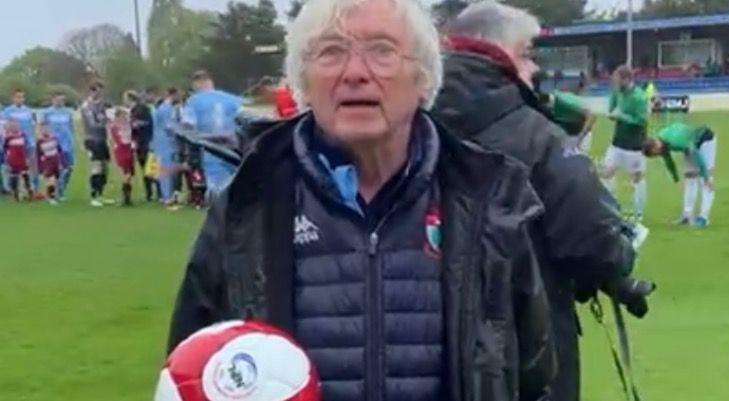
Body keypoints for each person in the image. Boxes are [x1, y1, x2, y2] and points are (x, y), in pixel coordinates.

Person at [167, 2, 555, 401]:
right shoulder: (249, 202)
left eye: (382, 50)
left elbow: (535, 379)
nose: (354, 72)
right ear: (303, 81)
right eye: (331, 51)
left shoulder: (486, 198)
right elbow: (192, 373)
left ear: (423, 78)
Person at [433, 3, 644, 401]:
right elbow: (593, 237)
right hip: (529, 337)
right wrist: (618, 264)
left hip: (430, 342)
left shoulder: (411, 126)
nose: (534, 69)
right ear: (499, 53)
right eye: (527, 54)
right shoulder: (536, 135)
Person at [181, 70, 245, 201]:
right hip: (235, 148)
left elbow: (188, 127)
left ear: (196, 84)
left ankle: (220, 209)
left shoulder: (194, 101)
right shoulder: (234, 99)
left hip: (212, 150)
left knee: (216, 187)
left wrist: (189, 153)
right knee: (238, 185)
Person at [643, 122, 717, 226]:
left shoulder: (675, 141)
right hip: (689, 144)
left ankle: (703, 218)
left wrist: (705, 175)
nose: (658, 155)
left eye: (655, 154)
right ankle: (687, 216)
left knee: (705, 181)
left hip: (705, 140)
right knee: (690, 178)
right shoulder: (661, 144)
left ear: (655, 147)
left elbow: (696, 153)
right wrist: (676, 179)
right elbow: (669, 162)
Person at [602, 65, 649, 222]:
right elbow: (612, 109)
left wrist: (621, 117)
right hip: (617, 142)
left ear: (627, 79)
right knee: (606, 172)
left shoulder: (639, 97)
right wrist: (612, 110)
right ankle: (613, 208)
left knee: (637, 178)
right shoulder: (617, 91)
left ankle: (638, 213)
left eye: (617, 80)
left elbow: (642, 121)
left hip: (634, 144)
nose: (615, 84)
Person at [81, 82, 114, 207]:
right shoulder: (87, 106)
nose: (99, 94)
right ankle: (94, 196)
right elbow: (92, 124)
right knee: (97, 166)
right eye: (97, 92)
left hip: (102, 139)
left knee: (105, 167)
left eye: (101, 92)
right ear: (92, 91)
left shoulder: (104, 105)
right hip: (92, 139)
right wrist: (106, 121)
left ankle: (100, 194)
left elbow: (111, 117)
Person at [3, 89, 40, 194]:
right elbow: (4, 127)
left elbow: (34, 125)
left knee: (32, 165)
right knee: (13, 166)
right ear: (13, 98)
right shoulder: (7, 111)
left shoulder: (28, 111)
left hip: (29, 142)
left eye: (22, 97)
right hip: (15, 144)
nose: (20, 99)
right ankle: (12, 188)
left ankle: (33, 187)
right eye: (18, 97)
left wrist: (36, 137)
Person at [41, 93, 76, 199]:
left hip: (67, 144)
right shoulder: (47, 113)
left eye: (62, 100)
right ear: (53, 100)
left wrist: (73, 140)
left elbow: (71, 127)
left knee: (68, 168)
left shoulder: (67, 112)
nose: (60, 102)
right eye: (58, 100)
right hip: (53, 145)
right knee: (53, 169)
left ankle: (61, 189)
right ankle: (52, 191)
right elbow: (42, 127)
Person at [128, 90, 160, 202]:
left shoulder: (141, 109)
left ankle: (155, 192)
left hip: (144, 142)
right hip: (141, 142)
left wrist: (133, 125)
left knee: (149, 168)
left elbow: (146, 123)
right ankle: (151, 193)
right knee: (147, 168)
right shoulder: (137, 109)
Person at [154, 88, 181, 207]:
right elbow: (169, 127)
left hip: (166, 142)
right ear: (173, 95)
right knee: (165, 169)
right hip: (164, 142)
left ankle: (168, 195)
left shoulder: (166, 108)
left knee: (167, 169)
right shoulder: (166, 109)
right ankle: (166, 197)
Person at [109, 108, 137, 206]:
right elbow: (116, 140)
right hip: (121, 151)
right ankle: (126, 197)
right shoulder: (114, 127)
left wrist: (133, 144)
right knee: (125, 173)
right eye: (123, 115)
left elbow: (133, 137)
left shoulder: (129, 126)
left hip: (129, 150)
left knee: (130, 174)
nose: (125, 117)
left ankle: (128, 197)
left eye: (126, 115)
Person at [3, 119, 31, 201]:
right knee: (14, 178)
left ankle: (28, 192)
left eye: (16, 125)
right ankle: (15, 194)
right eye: (12, 125)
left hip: (23, 160)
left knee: (26, 176)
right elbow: (5, 149)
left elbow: (26, 147)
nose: (14, 127)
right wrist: (8, 159)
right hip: (13, 161)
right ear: (9, 127)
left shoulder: (23, 135)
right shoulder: (8, 137)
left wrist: (27, 158)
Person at [36, 121, 63, 204]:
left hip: (55, 161)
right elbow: (38, 155)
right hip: (47, 163)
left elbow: (59, 150)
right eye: (44, 129)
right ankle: (52, 198)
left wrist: (60, 162)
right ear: (41, 130)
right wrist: (40, 169)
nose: (46, 130)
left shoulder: (54, 138)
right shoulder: (40, 141)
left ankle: (52, 195)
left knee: (56, 180)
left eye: (47, 128)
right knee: (51, 180)